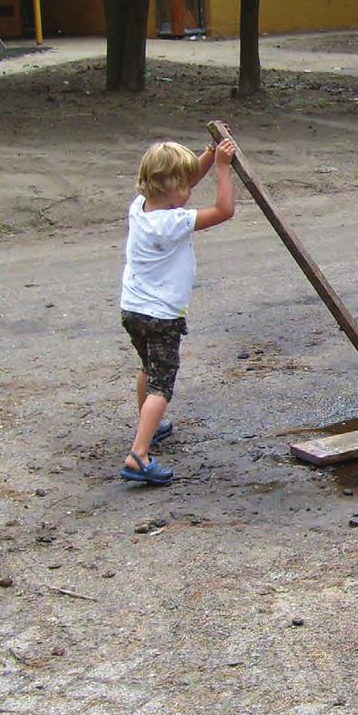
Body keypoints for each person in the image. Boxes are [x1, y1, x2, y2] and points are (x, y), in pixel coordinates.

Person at [118, 136, 237, 485]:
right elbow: (224, 211)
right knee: (161, 385)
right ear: (172, 189)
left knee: (147, 366)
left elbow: (183, 183)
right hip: (161, 316)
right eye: (183, 184)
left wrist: (208, 154)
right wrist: (222, 169)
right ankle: (138, 455)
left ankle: (148, 428)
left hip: (133, 309)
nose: (189, 188)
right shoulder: (171, 223)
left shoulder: (140, 207)